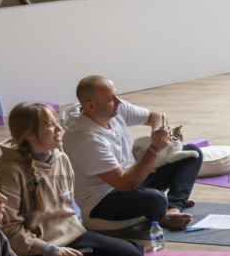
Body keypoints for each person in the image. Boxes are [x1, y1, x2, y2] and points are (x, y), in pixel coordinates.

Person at [0, 102, 143, 256]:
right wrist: (49, 250)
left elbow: (66, 208)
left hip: (72, 234)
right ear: (29, 135)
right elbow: (8, 229)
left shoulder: (60, 157)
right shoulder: (9, 172)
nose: (59, 129)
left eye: (56, 122)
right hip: (34, 251)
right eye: (50, 125)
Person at [62, 75, 198, 232]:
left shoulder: (115, 108)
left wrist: (157, 131)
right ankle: (162, 214)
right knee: (156, 199)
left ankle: (173, 209)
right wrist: (154, 148)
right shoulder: (84, 139)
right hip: (104, 200)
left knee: (191, 153)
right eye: (111, 98)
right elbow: (125, 184)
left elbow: (155, 116)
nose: (118, 101)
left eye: (116, 94)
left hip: (133, 179)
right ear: (91, 105)